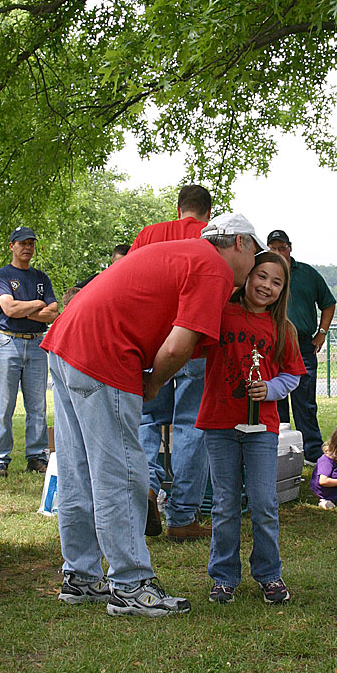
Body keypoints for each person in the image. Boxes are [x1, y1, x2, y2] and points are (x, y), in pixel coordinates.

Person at [40, 212, 265, 618]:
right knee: (121, 473)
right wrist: (154, 382)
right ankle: (130, 584)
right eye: (255, 254)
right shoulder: (213, 268)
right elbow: (178, 347)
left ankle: (82, 577)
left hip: (67, 340)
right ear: (240, 244)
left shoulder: (185, 252)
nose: (253, 268)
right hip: (103, 353)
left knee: (77, 471)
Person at [195, 252, 305, 605]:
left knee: (264, 503)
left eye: (277, 282)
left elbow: (291, 375)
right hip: (219, 421)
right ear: (247, 276)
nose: (267, 286)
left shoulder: (283, 329)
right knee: (225, 503)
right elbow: (192, 344)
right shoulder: (220, 314)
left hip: (263, 428)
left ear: (283, 290)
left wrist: (270, 389)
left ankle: (269, 575)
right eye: (261, 276)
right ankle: (224, 577)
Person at [128, 184, 213, 541]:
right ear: (208, 212)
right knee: (191, 426)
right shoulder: (212, 237)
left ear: (178, 208)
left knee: (148, 420)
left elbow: (127, 279)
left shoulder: (149, 234)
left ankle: (147, 489)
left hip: (151, 342)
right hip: (196, 341)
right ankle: (182, 518)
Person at [0, 227, 58, 478]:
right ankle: (0, 460)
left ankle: (36, 457)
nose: (27, 247)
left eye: (31, 243)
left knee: (38, 406)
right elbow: (8, 308)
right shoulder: (3, 275)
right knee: (4, 406)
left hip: (37, 344)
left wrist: (23, 309)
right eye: (22, 243)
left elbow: (53, 312)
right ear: (12, 246)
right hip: (8, 343)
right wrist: (38, 305)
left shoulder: (41, 278)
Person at [267, 229, 336, 464]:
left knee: (305, 401)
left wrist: (322, 333)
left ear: (290, 247)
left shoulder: (307, 274)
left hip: (303, 346)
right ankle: (278, 448)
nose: (277, 252)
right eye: (272, 248)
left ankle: (313, 451)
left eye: (281, 247)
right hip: (272, 347)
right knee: (275, 401)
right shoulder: (261, 273)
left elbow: (328, 303)